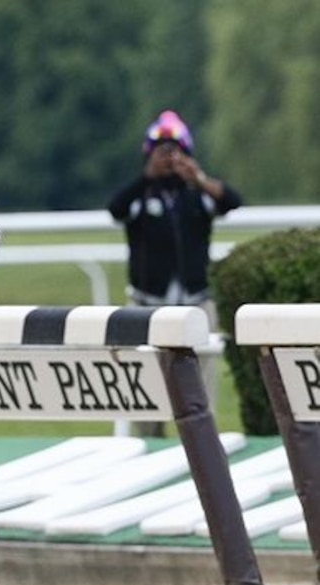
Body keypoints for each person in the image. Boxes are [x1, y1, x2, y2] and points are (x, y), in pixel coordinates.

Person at [108, 109, 242, 436]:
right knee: (147, 388)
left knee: (201, 385)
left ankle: (201, 441)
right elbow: (116, 208)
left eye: (174, 152)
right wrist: (147, 176)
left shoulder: (197, 195)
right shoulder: (141, 194)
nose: (169, 160)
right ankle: (150, 444)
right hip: (146, 303)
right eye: (162, 153)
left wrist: (197, 178)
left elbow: (232, 201)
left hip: (196, 301)